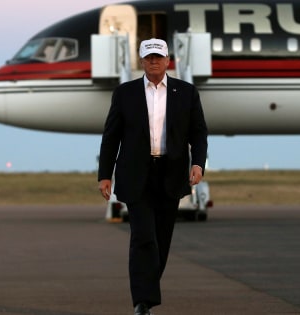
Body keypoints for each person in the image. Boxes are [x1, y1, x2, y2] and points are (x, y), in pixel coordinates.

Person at [97, 38, 208, 315]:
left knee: (161, 239)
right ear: (142, 61)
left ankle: (146, 290)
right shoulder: (125, 93)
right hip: (136, 174)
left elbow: (198, 132)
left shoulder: (186, 92)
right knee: (143, 237)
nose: (154, 62)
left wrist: (198, 165)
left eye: (158, 57)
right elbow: (111, 137)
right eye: (148, 58)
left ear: (168, 60)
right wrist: (104, 175)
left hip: (170, 174)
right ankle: (142, 302)